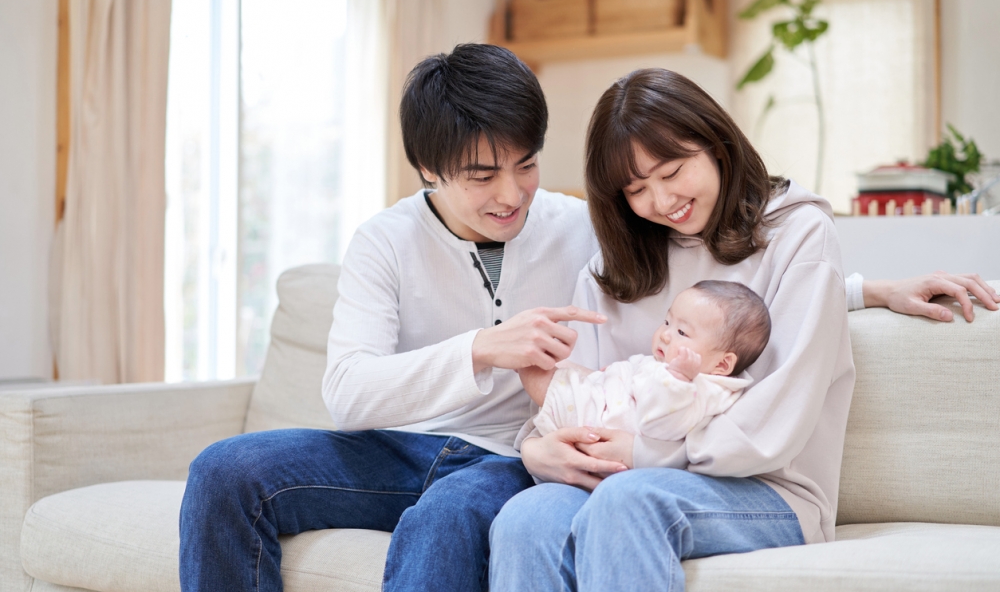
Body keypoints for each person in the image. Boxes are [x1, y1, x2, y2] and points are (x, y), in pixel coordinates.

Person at [178, 45, 999, 592]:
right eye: (635, 188)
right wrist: (513, 396)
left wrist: (870, 289)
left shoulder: (653, 228)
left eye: (527, 165)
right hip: (495, 452)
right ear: (429, 171)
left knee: (559, 507)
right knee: (235, 470)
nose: (511, 194)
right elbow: (587, 377)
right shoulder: (600, 244)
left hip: (674, 473)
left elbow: (757, 324)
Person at [487, 68, 1000, 592]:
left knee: (631, 500)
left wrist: (643, 453)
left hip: (765, 489)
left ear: (715, 143)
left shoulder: (796, 232)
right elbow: (577, 395)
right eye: (636, 189)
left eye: (672, 171)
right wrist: (538, 448)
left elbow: (775, 421)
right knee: (525, 518)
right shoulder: (612, 270)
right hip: (619, 476)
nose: (661, 202)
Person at [519, 280, 768, 442]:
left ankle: (518, 355)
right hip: (601, 395)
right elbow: (644, 371)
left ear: (722, 365)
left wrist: (678, 380)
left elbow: (662, 425)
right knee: (555, 363)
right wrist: (620, 372)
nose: (665, 334)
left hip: (594, 419)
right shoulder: (676, 366)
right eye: (668, 322)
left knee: (531, 364)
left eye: (682, 333)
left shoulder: (703, 390)